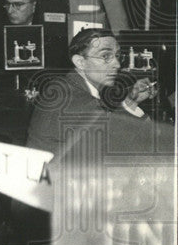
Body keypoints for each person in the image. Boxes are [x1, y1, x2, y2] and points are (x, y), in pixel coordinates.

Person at [27, 28, 157, 156]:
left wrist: (130, 101)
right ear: (80, 62)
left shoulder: (68, 86)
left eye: (117, 55)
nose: (117, 64)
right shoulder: (74, 99)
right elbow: (130, 140)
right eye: (105, 56)